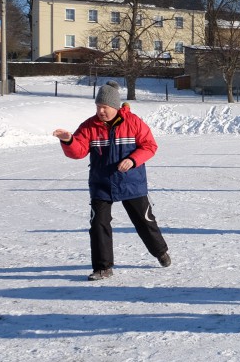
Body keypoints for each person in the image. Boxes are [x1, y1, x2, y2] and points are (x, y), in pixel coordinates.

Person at [53, 81, 170, 281]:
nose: (100, 111)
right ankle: (102, 267)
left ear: (114, 107)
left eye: (104, 107)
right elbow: (79, 151)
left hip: (131, 182)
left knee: (144, 220)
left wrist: (133, 160)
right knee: (98, 224)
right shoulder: (89, 126)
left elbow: (150, 145)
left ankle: (160, 251)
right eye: (98, 107)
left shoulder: (133, 122)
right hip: (101, 183)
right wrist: (68, 140)